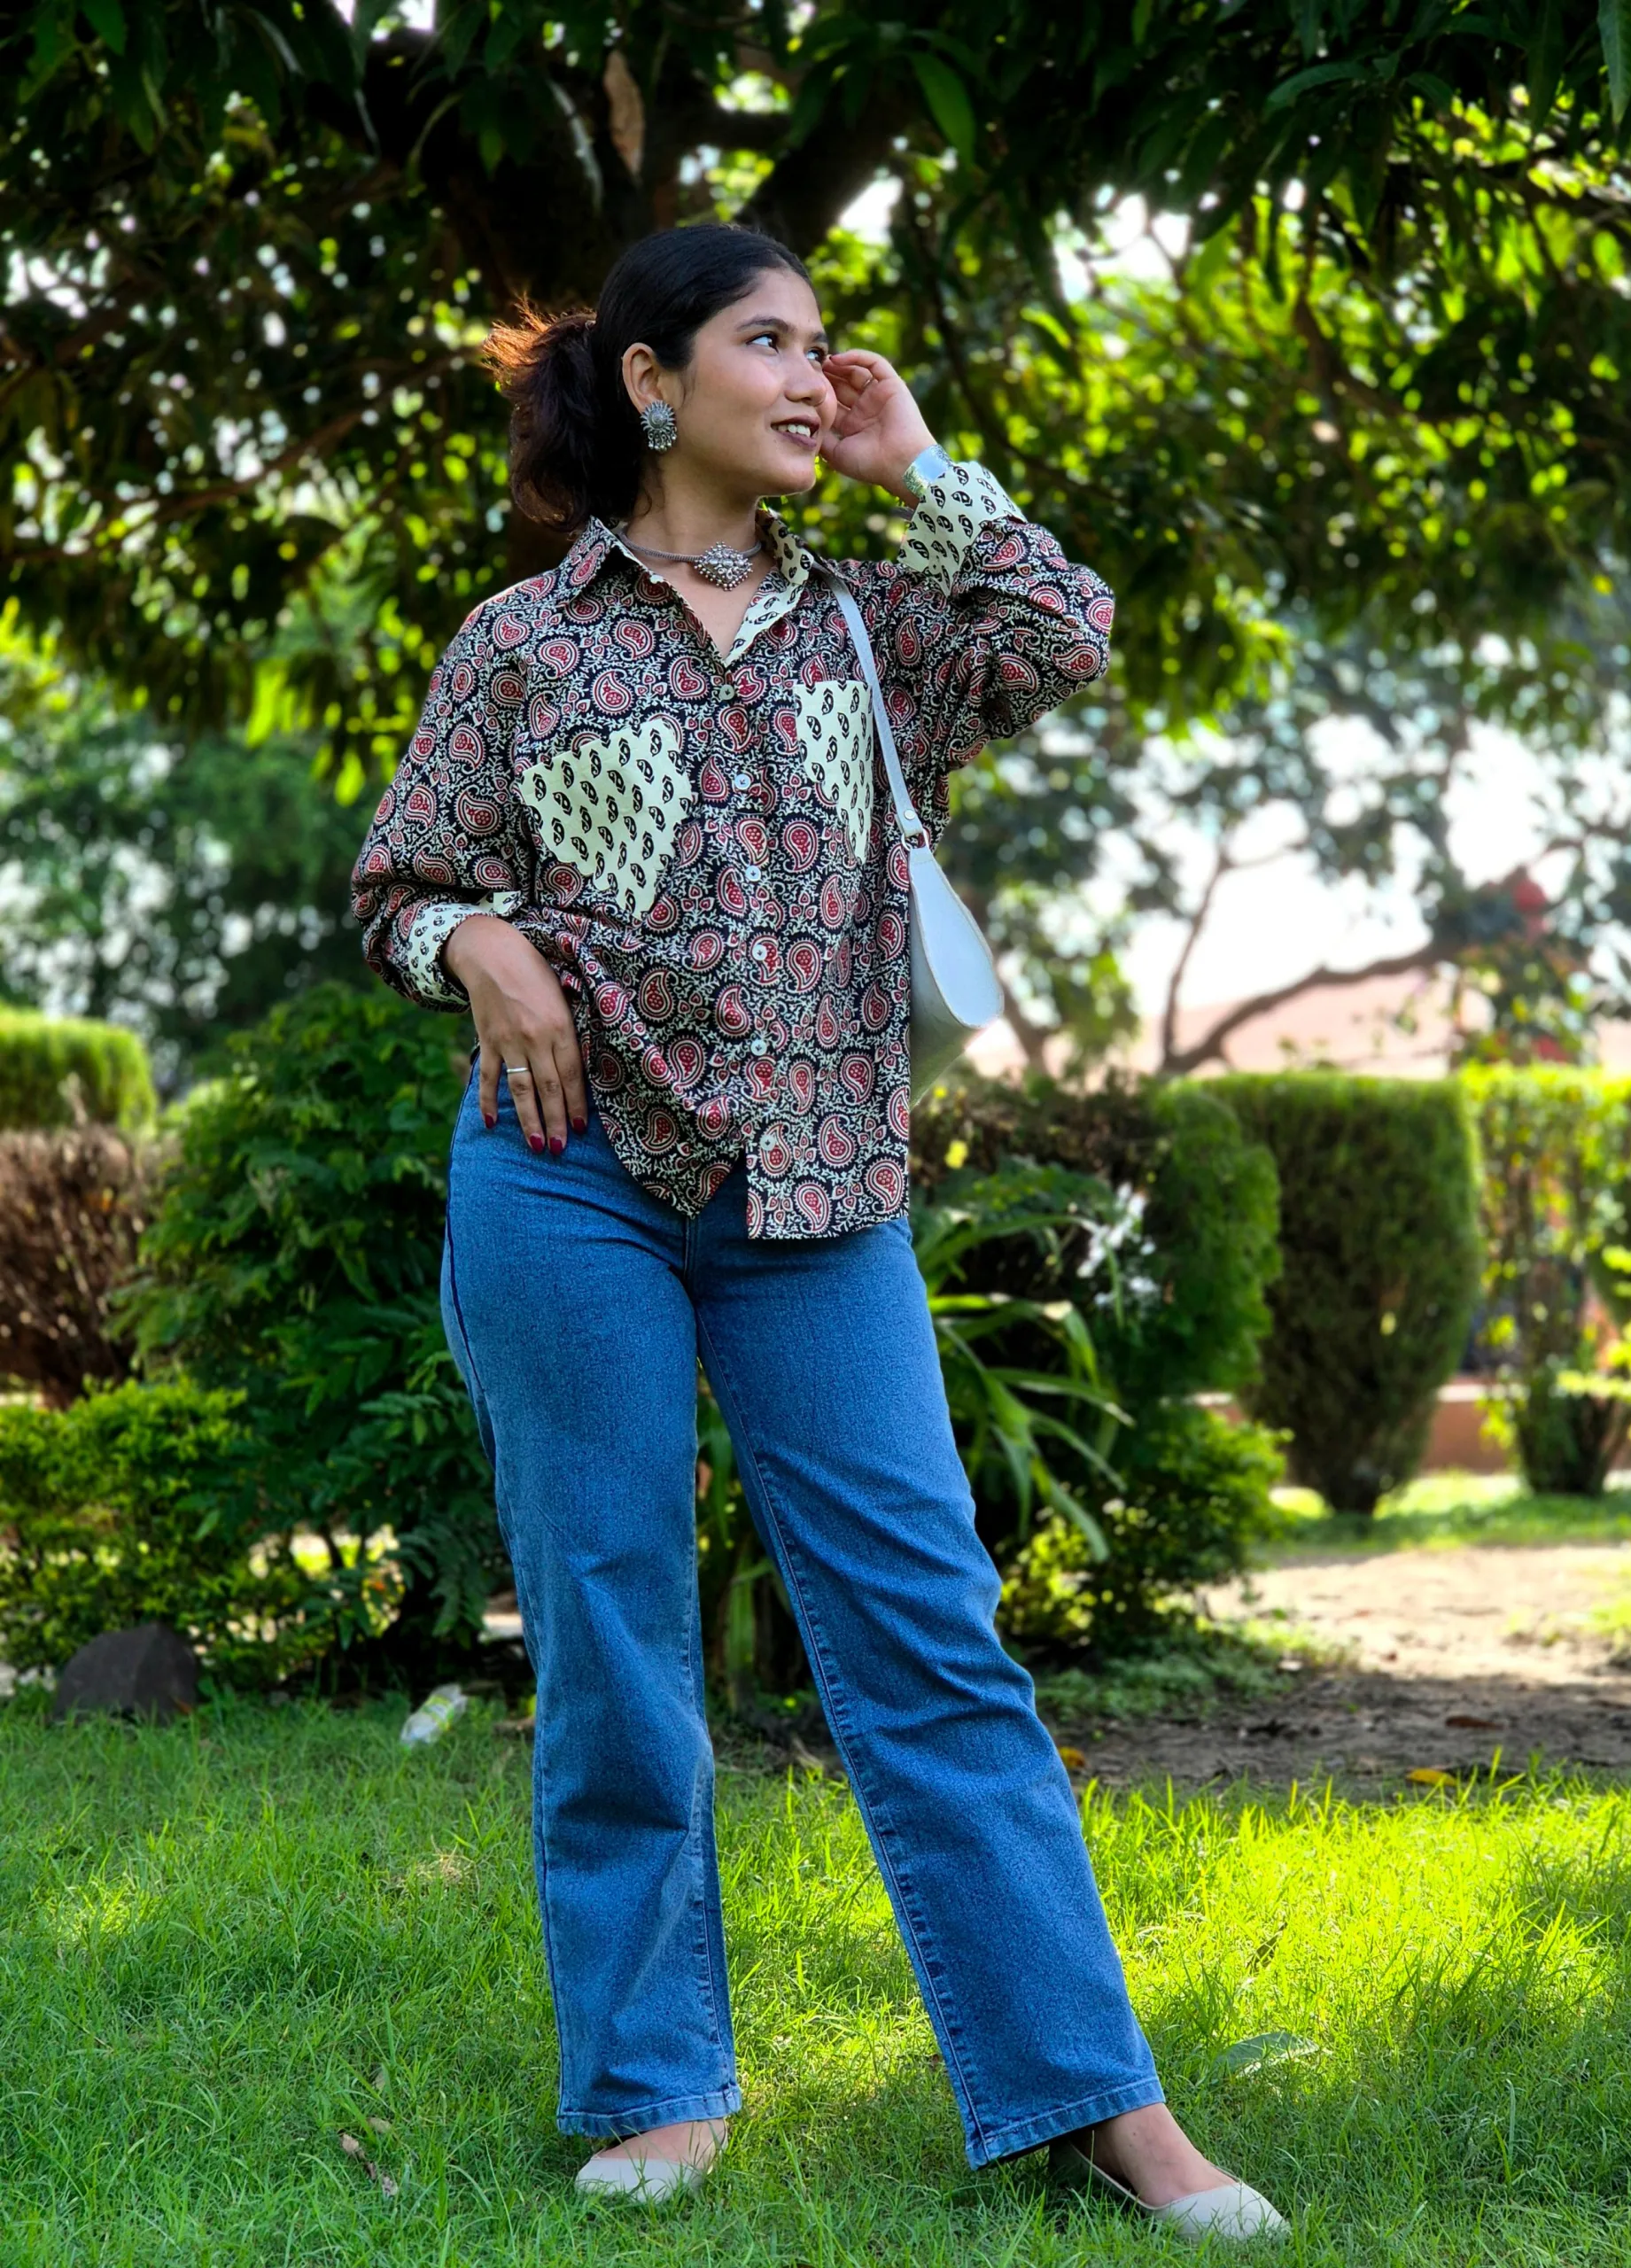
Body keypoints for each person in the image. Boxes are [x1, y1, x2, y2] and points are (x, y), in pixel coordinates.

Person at [351, 223, 1286, 2241]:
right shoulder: (525, 643)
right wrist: (479, 936)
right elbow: (398, 882)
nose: (807, 370)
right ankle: (656, 2079)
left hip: (827, 1193)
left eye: (825, 343)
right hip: (572, 1179)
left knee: (939, 1644)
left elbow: (1068, 634)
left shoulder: (877, 629)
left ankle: (1100, 2101)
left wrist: (914, 461)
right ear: (650, 379)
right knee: (611, 1640)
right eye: (764, 341)